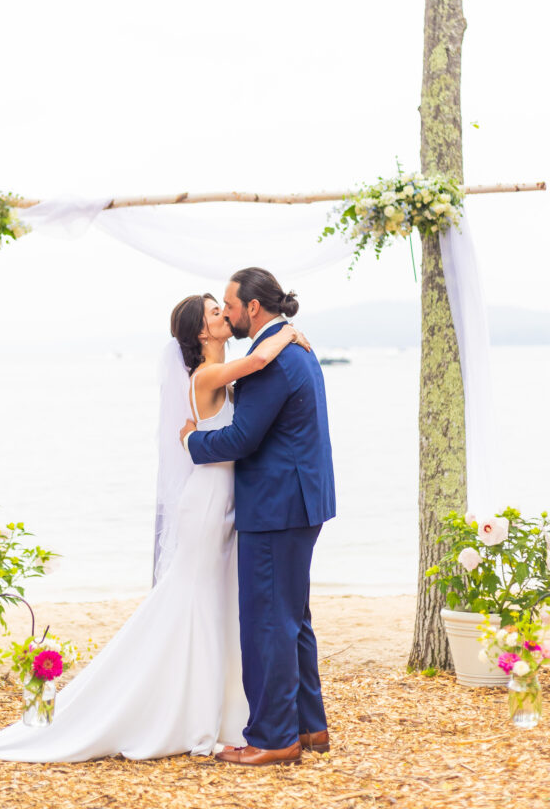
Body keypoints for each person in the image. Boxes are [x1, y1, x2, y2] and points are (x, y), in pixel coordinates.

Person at [0, 293, 309, 762]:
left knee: (214, 601)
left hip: (225, 501)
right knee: (195, 599)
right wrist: (289, 333)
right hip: (208, 503)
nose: (225, 316)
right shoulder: (207, 374)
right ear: (201, 332)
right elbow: (259, 357)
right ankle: (186, 710)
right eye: (217, 312)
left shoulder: (219, 377)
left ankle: (217, 707)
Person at [181, 267, 336, 767]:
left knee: (268, 621)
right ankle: (310, 728)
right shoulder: (290, 348)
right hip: (299, 501)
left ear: (252, 308)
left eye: (228, 303)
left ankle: (273, 738)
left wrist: (191, 442)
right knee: (293, 619)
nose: (225, 311)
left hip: (276, 507)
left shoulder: (272, 359)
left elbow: (242, 439)